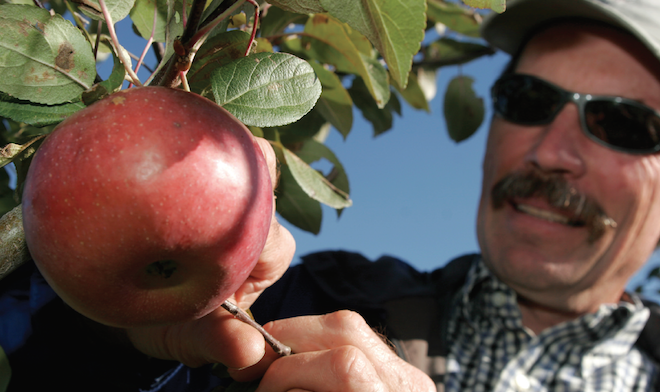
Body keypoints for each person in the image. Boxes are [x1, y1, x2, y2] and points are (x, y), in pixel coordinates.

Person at [2, 0, 660, 391]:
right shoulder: (302, 311)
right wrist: (110, 341)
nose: (551, 150)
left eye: (624, 124)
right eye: (529, 101)